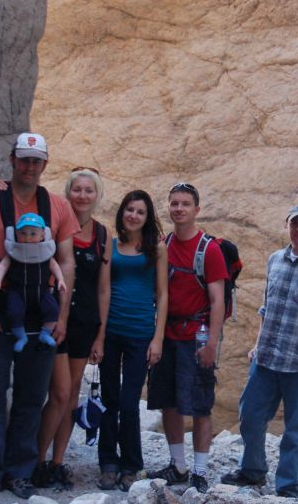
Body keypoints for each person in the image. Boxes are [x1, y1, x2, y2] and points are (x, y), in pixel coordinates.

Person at [0, 133, 79, 500]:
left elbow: (66, 263)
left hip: (40, 311)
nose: (30, 167)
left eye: (37, 161)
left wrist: (60, 318)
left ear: (45, 164)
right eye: (24, 159)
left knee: (31, 396)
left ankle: (19, 471)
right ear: (13, 160)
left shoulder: (57, 207)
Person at [220, 205, 298, 500]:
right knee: (250, 415)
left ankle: (288, 485)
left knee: (296, 430)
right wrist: (257, 343)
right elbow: (267, 308)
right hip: (267, 358)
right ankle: (252, 470)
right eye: (293, 223)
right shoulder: (275, 260)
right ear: (286, 226)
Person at [145, 182, 228, 494]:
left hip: (196, 336)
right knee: (168, 402)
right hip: (167, 334)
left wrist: (211, 345)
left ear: (197, 209)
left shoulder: (210, 250)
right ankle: (178, 465)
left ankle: (200, 470)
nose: (179, 209)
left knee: (200, 405)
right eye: (174, 203)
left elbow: (217, 300)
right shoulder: (164, 244)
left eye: (185, 204)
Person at [33, 168, 112, 490]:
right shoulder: (53, 226)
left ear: (96, 196)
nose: (82, 195)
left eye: (88, 190)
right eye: (76, 189)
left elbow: (103, 288)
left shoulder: (103, 235)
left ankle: (57, 462)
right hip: (55, 320)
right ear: (68, 193)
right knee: (60, 393)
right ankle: (36, 462)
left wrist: (101, 334)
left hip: (85, 323)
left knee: (71, 397)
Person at [98, 190, 169, 492]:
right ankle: (108, 463)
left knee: (129, 403)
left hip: (141, 333)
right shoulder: (110, 246)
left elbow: (163, 294)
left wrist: (158, 338)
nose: (134, 216)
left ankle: (132, 464)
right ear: (122, 213)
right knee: (109, 400)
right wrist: (98, 336)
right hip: (112, 331)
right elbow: (103, 291)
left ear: (147, 217)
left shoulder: (157, 249)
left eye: (140, 212)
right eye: (130, 210)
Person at [0, 212, 67, 351]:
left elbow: (55, 266)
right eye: (23, 233)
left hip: (41, 291)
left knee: (53, 309)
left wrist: (60, 280)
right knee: (14, 312)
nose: (28, 237)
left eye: (33, 234)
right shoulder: (14, 253)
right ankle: (21, 336)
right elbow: (3, 265)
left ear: (43, 235)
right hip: (18, 292)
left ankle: (45, 333)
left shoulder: (46, 253)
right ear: (16, 234)